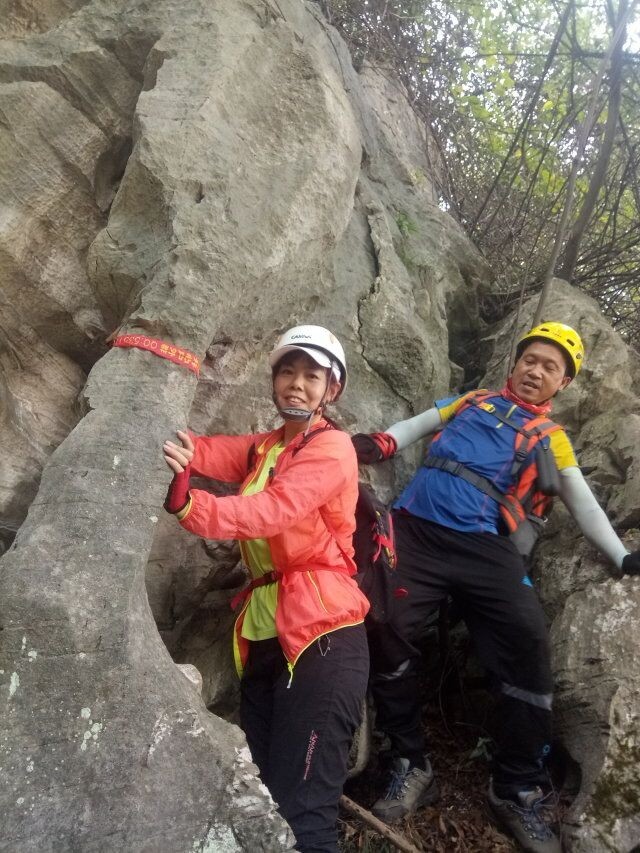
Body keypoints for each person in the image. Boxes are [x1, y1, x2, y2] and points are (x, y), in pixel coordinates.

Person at [352, 322, 640, 853]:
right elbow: (419, 423)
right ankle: (411, 763)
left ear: (564, 385)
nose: (535, 370)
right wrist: (381, 442)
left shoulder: (550, 439)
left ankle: (515, 786)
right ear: (513, 365)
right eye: (530, 359)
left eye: (550, 367)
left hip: (486, 547)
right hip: (414, 528)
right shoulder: (473, 401)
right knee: (384, 625)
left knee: (528, 642)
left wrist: (621, 556)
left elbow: (581, 500)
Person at [163, 325, 370, 853]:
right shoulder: (266, 447)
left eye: (311, 376)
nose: (296, 385)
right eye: (287, 371)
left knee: (304, 817)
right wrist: (166, 436)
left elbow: (273, 509)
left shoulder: (333, 448)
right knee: (268, 804)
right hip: (269, 635)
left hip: (324, 636)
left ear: (332, 389)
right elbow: (207, 451)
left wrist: (193, 507)